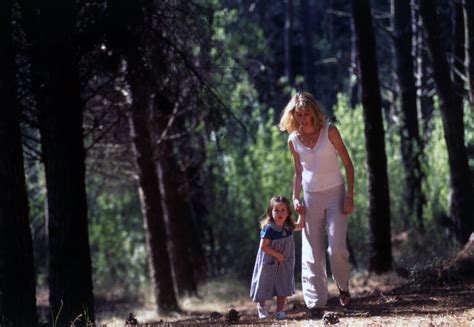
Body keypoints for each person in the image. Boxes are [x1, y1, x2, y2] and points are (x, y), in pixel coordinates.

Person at [279, 91, 354, 310]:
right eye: (299, 114)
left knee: (336, 248)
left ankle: (343, 287)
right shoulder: (293, 140)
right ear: (293, 115)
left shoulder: (330, 132)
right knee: (312, 253)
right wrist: (294, 197)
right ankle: (316, 303)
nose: (303, 118)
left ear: (314, 112)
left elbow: (348, 165)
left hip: (336, 195)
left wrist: (350, 195)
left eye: (306, 114)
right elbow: (298, 173)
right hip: (310, 199)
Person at [250, 195, 305, 320]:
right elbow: (263, 246)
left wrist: (301, 213)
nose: (279, 213)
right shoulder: (269, 228)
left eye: (283, 210)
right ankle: (261, 307)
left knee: (283, 283)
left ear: (287, 212)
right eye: (276, 210)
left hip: (285, 261)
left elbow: (301, 226)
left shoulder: (288, 227)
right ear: (271, 212)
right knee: (264, 282)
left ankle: (280, 311)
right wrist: (277, 255)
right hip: (269, 260)